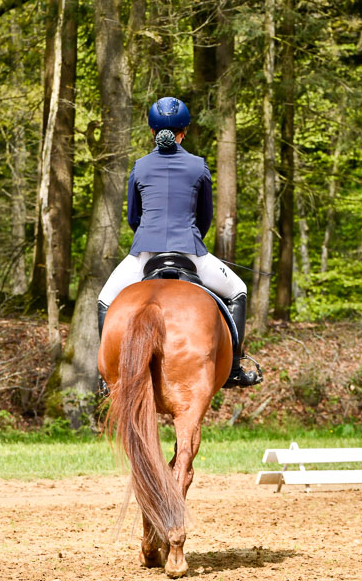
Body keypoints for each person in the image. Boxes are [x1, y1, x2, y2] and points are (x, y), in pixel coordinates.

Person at [97, 96, 260, 387]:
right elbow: (205, 217)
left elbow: (133, 217)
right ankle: (234, 368)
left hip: (145, 254)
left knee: (105, 300)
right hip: (190, 250)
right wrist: (190, 240)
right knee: (238, 290)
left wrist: (149, 237)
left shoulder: (140, 166)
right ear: (184, 132)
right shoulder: (199, 166)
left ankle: (107, 376)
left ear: (152, 131)